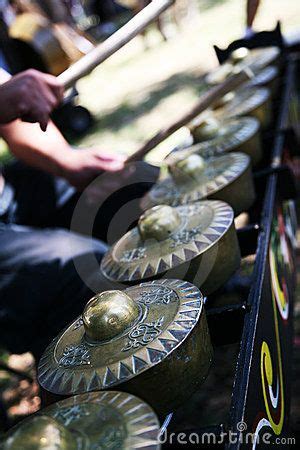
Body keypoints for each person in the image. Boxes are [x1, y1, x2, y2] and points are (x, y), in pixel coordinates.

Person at [0, 69, 159, 359]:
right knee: (79, 267)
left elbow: (14, 112)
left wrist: (66, 161)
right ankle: (97, 391)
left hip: (10, 191)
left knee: (137, 188)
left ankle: (190, 308)